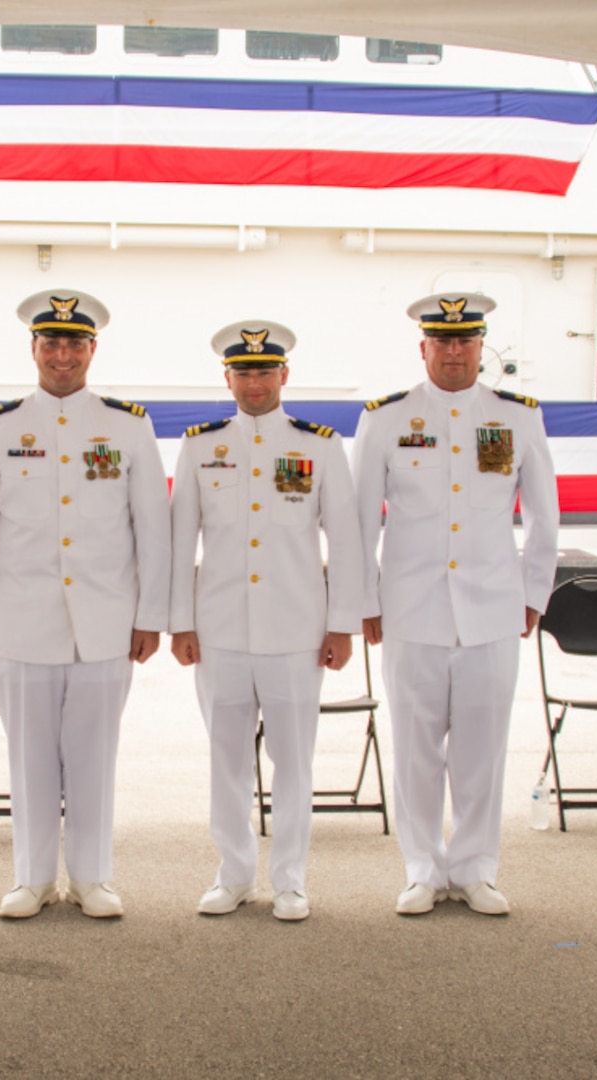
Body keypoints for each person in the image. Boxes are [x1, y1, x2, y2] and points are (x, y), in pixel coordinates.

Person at [0, 290, 170, 920]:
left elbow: (151, 528)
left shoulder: (128, 425)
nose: (63, 354)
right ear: (34, 349)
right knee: (29, 759)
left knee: (94, 755)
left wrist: (149, 616)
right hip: (21, 623)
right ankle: (31, 878)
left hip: (106, 623)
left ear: (92, 350)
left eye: (75, 343)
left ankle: (93, 877)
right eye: (51, 342)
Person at [352, 292, 558, 917]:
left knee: (481, 748)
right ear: (423, 348)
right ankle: (421, 869)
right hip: (410, 609)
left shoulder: (518, 417)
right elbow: (362, 520)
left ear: (479, 347)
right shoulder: (386, 418)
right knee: (415, 749)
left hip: (493, 609)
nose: (453, 350)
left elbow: (544, 514)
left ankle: (474, 868)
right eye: (441, 340)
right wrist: (363, 599)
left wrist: (533, 593)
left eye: (465, 339)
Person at [168, 321, 363, 922]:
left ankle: (290, 880)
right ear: (227, 378)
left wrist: (342, 625)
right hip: (220, 630)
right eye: (243, 372)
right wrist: (180, 621)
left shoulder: (320, 445)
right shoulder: (201, 445)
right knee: (226, 761)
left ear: (285, 375)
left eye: (265, 370)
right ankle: (232, 875)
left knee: (294, 763)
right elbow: (181, 541)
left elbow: (346, 541)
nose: (254, 382)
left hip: (296, 633)